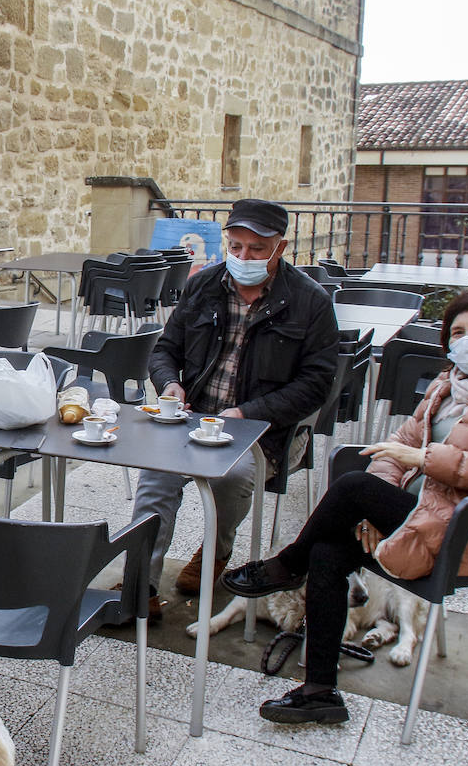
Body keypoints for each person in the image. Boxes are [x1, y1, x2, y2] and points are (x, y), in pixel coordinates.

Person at [224, 287, 468, 724]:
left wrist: (424, 460)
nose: (467, 340)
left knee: (350, 487)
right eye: (457, 331)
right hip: (416, 516)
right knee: (329, 550)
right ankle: (320, 691)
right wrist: (375, 511)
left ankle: (286, 566)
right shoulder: (449, 383)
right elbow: (397, 444)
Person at [130, 199, 339, 618]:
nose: (243, 257)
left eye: (257, 249)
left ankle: (217, 550)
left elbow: (317, 383)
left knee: (231, 477)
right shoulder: (204, 284)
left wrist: (249, 413)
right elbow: (166, 350)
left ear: (280, 247)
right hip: (193, 418)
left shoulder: (310, 302)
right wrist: (169, 383)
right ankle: (141, 585)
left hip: (263, 430)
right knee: (156, 476)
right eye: (236, 246)